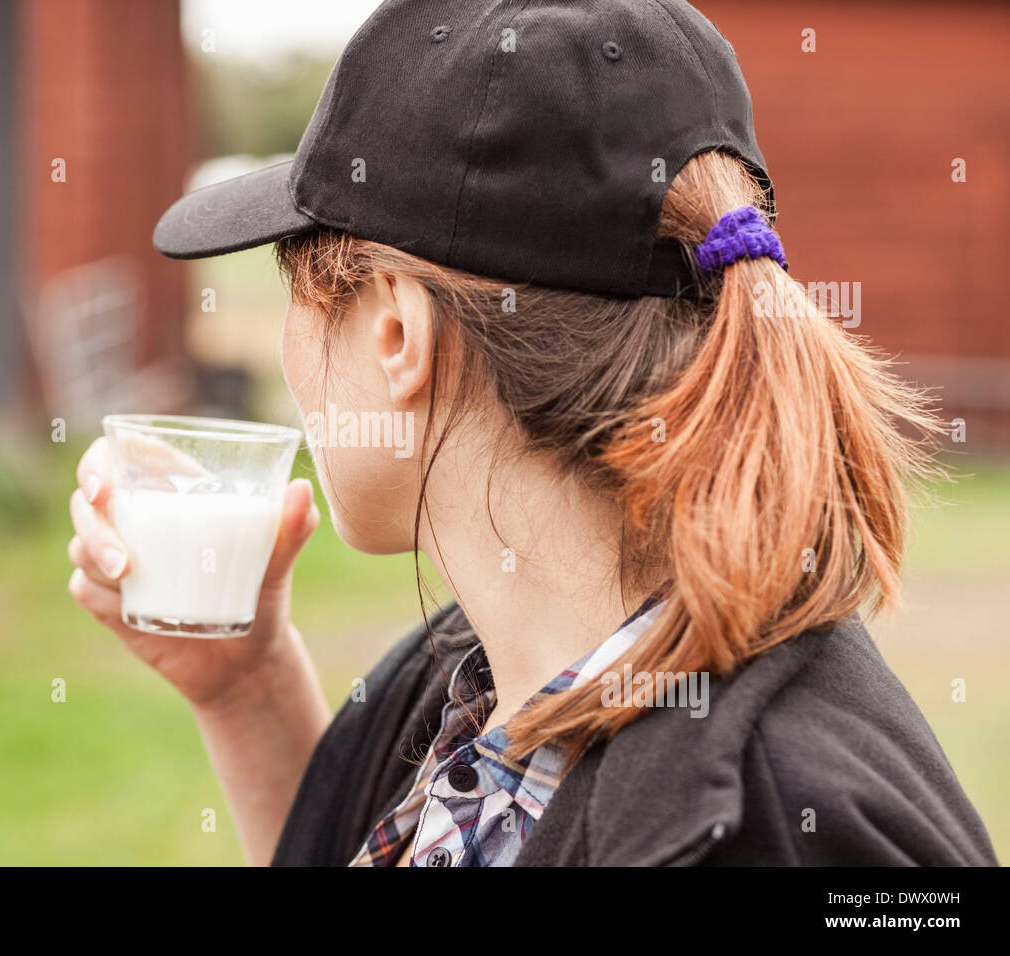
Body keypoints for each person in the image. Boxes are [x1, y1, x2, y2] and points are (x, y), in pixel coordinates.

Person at [66, 0, 998, 866]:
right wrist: (246, 689)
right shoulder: (476, 676)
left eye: (295, 291)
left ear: (396, 332)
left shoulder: (776, 827)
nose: (287, 348)